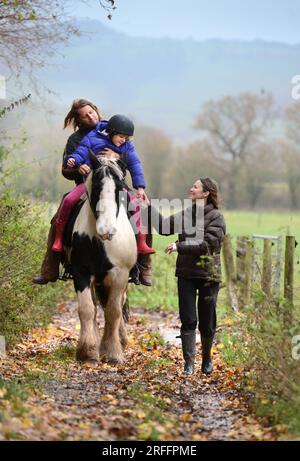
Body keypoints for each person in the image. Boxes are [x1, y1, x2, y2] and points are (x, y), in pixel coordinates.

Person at [32, 101, 153, 285]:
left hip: (116, 185)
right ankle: (51, 264)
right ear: (78, 119)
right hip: (88, 185)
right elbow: (68, 167)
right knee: (66, 203)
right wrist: (76, 166)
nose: (91, 116)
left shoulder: (118, 129)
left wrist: (120, 160)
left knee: (142, 208)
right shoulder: (77, 139)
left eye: (92, 112)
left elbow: (134, 162)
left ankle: (144, 262)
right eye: (85, 115)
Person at [148, 178, 226, 375]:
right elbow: (164, 227)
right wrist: (147, 206)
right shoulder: (186, 213)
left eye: (196, 187)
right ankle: (188, 363)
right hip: (186, 274)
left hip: (209, 275)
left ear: (206, 193)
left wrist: (178, 246)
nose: (191, 189)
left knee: (207, 320)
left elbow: (208, 245)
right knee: (188, 318)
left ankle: (207, 358)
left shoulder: (216, 217)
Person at [52, 114, 155, 256]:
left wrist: (140, 187)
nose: (123, 140)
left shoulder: (127, 146)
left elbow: (135, 165)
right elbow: (81, 152)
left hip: (115, 184)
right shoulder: (92, 137)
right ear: (111, 132)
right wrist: (72, 160)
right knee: (69, 200)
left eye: (126, 138)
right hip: (92, 182)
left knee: (137, 205)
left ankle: (141, 242)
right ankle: (58, 238)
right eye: (121, 137)